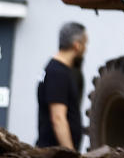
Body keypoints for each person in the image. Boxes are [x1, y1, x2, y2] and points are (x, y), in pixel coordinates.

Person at [36, 22, 87, 151]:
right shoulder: (58, 73)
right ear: (77, 45)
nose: (86, 48)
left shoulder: (55, 69)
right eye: (85, 43)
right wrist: (70, 153)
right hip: (55, 153)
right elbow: (58, 118)